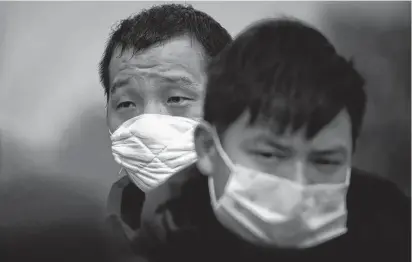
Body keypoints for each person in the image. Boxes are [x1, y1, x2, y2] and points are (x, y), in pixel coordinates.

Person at [135, 18, 411, 262]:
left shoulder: (392, 233)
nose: (299, 183)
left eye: (325, 160)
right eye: (271, 155)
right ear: (208, 149)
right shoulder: (154, 246)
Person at [98, 3, 232, 250]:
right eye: (126, 103)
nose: (149, 122)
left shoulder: (283, 242)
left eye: (176, 99)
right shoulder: (85, 248)